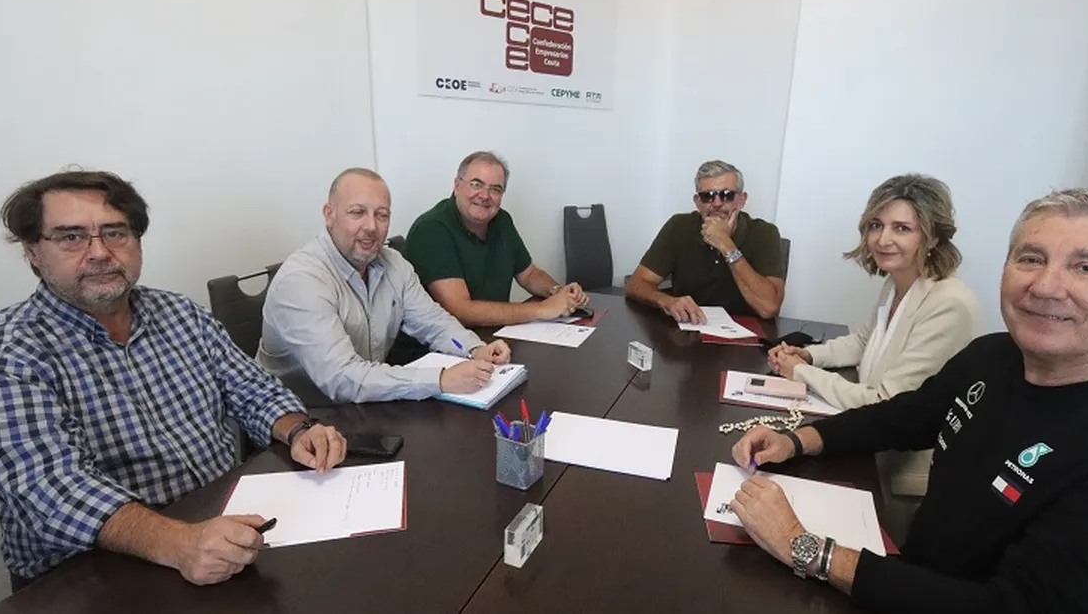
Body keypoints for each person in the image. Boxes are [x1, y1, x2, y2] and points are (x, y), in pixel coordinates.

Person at [730, 187, 1088, 612]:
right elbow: (906, 416)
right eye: (1031, 259)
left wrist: (803, 546)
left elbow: (1012, 607)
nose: (1046, 286)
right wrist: (797, 440)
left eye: (1087, 268)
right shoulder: (993, 355)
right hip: (911, 581)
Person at [0, 171, 347, 588]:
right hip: (91, 574)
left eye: (115, 233)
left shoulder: (178, 313)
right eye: (71, 237)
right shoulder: (8, 351)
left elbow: (252, 389)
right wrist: (179, 543)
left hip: (215, 531)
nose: (99, 252)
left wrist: (297, 429)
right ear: (33, 251)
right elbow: (51, 488)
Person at [768, 174, 981, 532]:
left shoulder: (949, 304)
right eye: (876, 225)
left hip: (902, 482)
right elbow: (865, 341)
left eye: (902, 228)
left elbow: (886, 402)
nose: (883, 239)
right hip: (868, 447)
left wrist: (801, 373)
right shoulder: (898, 283)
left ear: (932, 236)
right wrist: (808, 356)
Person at [258, 167, 511, 402]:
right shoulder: (301, 281)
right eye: (357, 212)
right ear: (329, 214)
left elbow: (434, 324)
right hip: (301, 418)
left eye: (381, 215)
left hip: (366, 407)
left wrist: (473, 348)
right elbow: (342, 378)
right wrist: (441, 379)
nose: (371, 227)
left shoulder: (394, 264)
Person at [403, 150, 589, 326]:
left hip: (492, 336)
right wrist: (542, 309)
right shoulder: (431, 229)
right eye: (476, 184)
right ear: (457, 186)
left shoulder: (501, 220)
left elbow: (529, 274)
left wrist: (558, 292)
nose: (485, 196)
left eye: (495, 189)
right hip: (443, 345)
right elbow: (461, 311)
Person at [626, 159, 786, 323]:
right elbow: (636, 284)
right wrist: (666, 301)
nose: (716, 203)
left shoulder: (764, 233)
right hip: (689, 327)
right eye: (707, 196)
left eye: (727, 195)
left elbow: (769, 308)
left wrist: (726, 246)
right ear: (697, 202)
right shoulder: (679, 226)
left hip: (747, 332)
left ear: (741, 200)